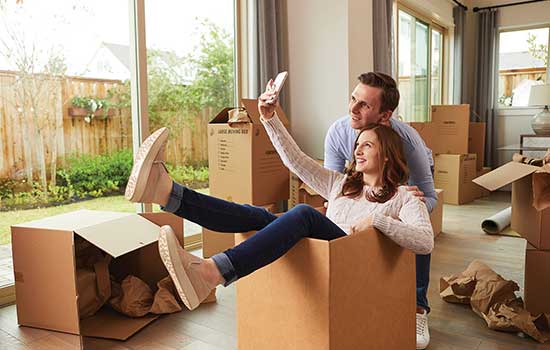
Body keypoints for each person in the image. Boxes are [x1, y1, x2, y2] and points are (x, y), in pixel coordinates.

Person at [124, 83, 434, 320]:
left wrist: (378, 219)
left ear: (389, 154)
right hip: (321, 252)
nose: (358, 150)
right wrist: (268, 117)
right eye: (357, 145)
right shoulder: (339, 184)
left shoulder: (404, 197)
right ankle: (166, 192)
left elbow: (424, 242)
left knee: (303, 214)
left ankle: (211, 272)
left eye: (368, 145)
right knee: (259, 216)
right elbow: (295, 160)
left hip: (349, 263)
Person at [324, 72, 436, 349]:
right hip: (365, 183)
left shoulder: (408, 143)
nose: (352, 108)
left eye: (364, 105)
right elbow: (333, 187)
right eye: (353, 99)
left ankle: (418, 307)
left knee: (414, 223)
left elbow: (430, 197)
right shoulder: (337, 133)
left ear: (385, 115)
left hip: (402, 184)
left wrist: (400, 210)